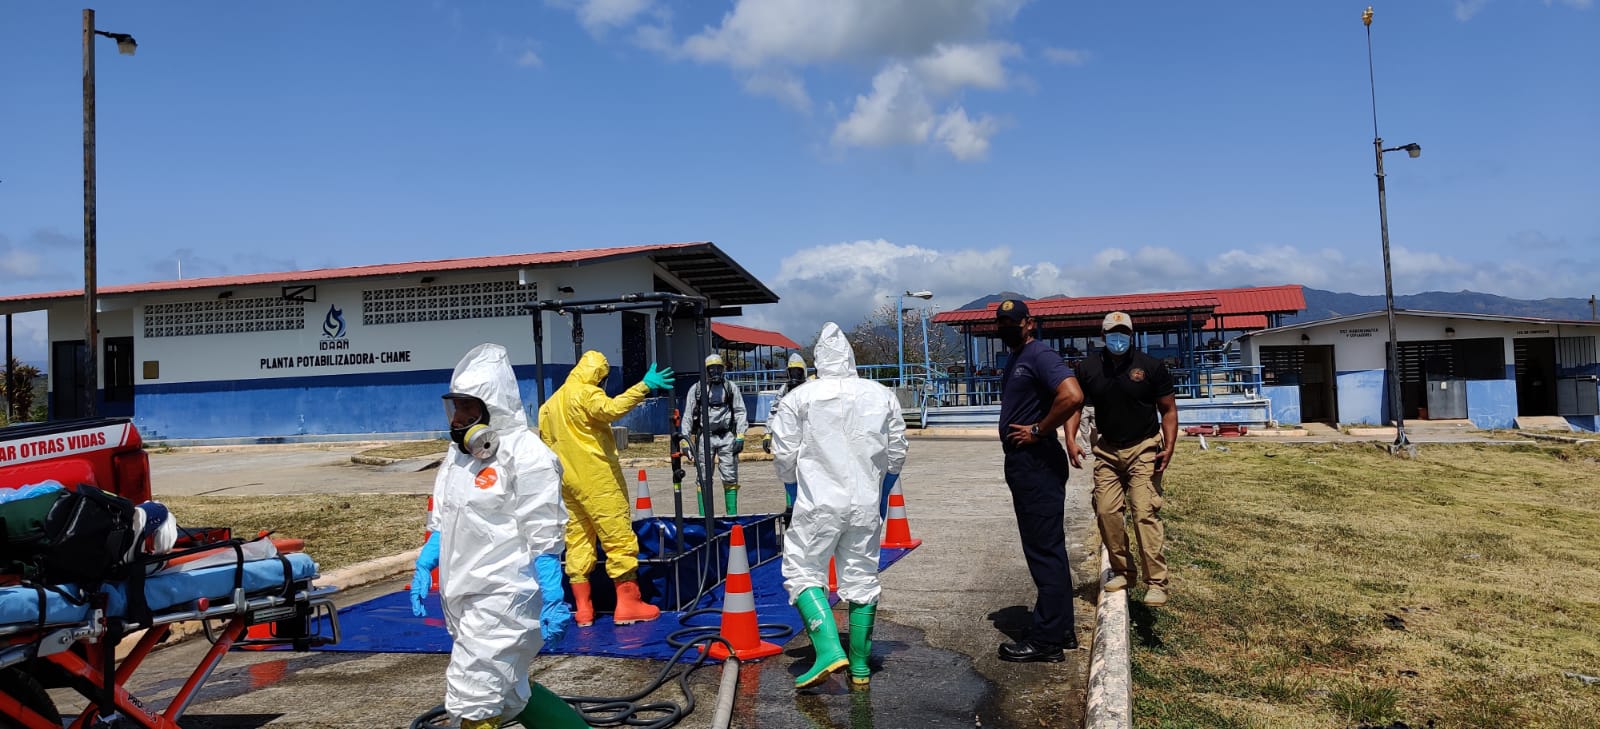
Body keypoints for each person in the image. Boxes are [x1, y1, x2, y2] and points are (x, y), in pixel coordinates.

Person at [408, 343, 587, 729]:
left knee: (472, 698)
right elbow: (448, 513)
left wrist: (554, 595)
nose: (457, 418)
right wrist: (428, 558)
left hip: (506, 595)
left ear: (492, 408)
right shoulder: (458, 457)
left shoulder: (526, 455)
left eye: (467, 409)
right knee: (508, 694)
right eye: (454, 407)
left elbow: (545, 531)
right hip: (465, 594)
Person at [769, 322, 908, 690]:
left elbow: (784, 454)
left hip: (818, 502)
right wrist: (881, 492)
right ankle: (860, 667)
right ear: (849, 358)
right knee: (862, 578)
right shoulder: (880, 395)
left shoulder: (798, 398)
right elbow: (896, 453)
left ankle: (829, 650)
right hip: (864, 502)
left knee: (802, 571)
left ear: (817, 362)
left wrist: (791, 489)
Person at [538, 350, 675, 627]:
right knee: (618, 538)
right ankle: (628, 604)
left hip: (567, 483)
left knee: (577, 540)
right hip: (597, 479)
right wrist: (644, 386)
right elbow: (612, 410)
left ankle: (583, 609)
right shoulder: (587, 394)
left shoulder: (548, 406)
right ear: (599, 376)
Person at [992, 299, 1085, 663]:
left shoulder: (1039, 354)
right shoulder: (1018, 358)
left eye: (1011, 321)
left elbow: (1073, 395)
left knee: (1043, 550)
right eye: (1000, 322)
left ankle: (1047, 642)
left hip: (1036, 462)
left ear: (1029, 323)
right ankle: (1059, 628)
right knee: (1048, 548)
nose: (1005, 327)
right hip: (1026, 463)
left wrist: (1038, 429)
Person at [1066, 312, 1178, 607]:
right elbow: (1074, 405)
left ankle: (1156, 582)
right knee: (1106, 511)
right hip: (1107, 450)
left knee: (1144, 511)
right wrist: (1070, 439)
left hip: (1143, 447)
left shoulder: (1151, 367)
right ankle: (1122, 571)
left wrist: (1170, 445)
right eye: (1113, 333)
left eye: (1123, 333)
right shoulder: (1089, 368)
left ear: (1131, 335)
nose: (1119, 338)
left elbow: (1168, 409)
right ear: (1102, 337)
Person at [680, 353, 749, 514]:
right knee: (703, 476)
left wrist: (740, 435)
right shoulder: (697, 389)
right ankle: (704, 517)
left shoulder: (730, 388)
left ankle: (732, 516)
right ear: (706, 371)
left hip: (727, 436)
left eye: (718, 368)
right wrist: (685, 440)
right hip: (706, 436)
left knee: (730, 475)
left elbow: (740, 411)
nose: (715, 372)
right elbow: (688, 416)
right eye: (712, 369)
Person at [762, 352, 811, 458]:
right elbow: (774, 411)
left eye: (798, 371)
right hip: (790, 434)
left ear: (804, 372)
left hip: (808, 434)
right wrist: (767, 434)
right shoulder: (784, 389)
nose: (795, 375)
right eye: (792, 372)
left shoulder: (811, 387)